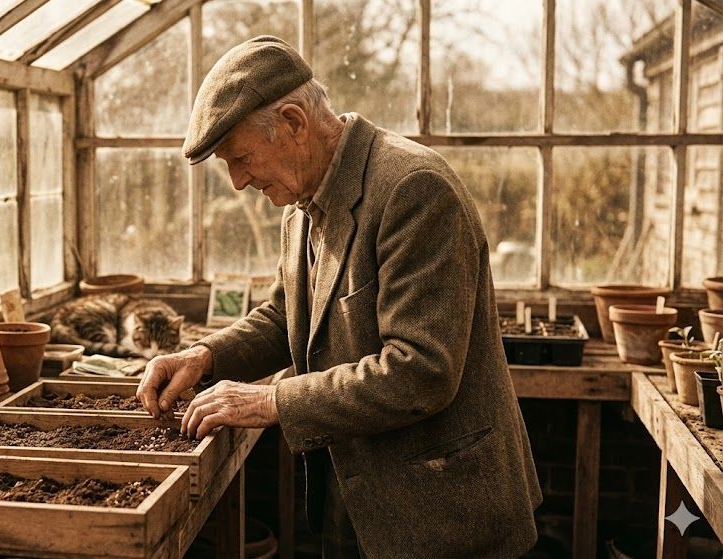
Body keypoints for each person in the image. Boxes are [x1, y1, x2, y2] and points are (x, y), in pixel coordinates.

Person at [136, 35, 542, 558]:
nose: (237, 182)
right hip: (359, 505)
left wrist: (271, 399)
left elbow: (421, 371)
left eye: (239, 158)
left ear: (293, 123)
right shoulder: (300, 204)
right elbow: (287, 317)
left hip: (442, 518)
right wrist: (205, 355)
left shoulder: (413, 189)